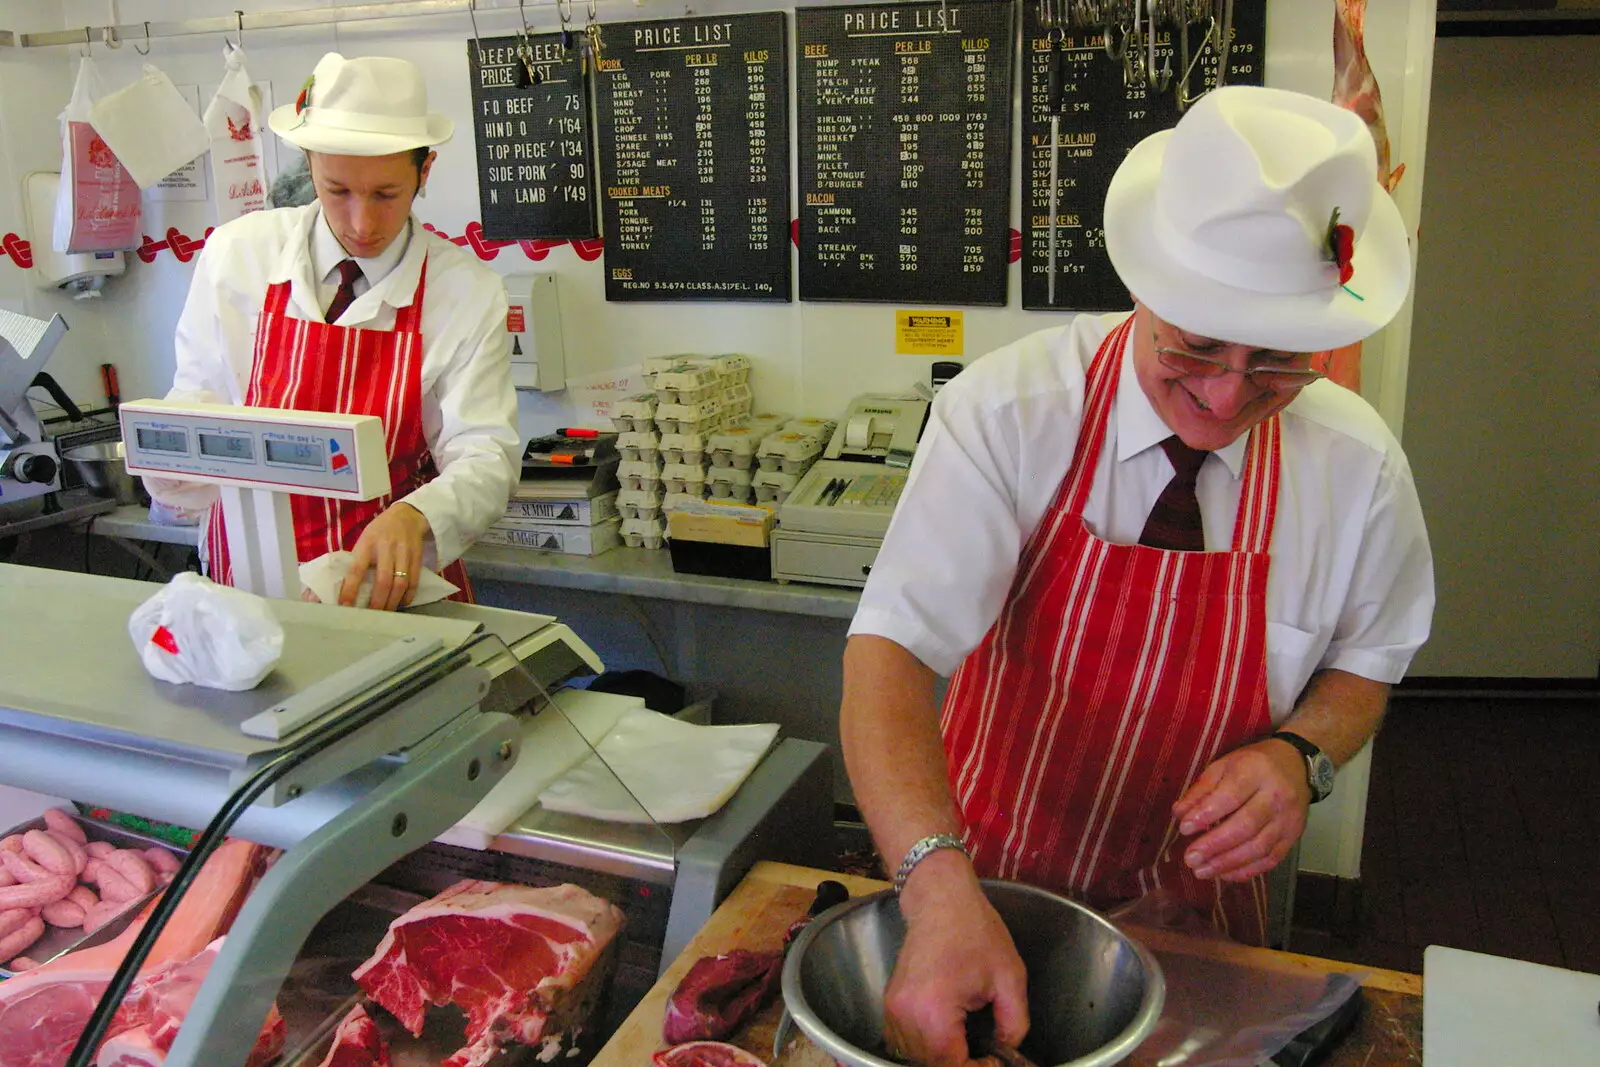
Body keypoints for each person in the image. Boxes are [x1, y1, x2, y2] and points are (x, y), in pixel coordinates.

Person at [840, 86, 1434, 1067]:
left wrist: (1301, 754)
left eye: (1277, 362)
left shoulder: (1358, 469)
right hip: (976, 888)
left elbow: (1367, 662)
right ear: (1144, 288)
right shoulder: (1009, 412)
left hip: (1197, 931)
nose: (1223, 394)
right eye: (1194, 345)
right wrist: (933, 883)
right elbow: (890, 655)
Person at [145, 53, 518, 611]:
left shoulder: (464, 291)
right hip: (244, 581)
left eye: (386, 194)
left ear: (425, 171)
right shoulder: (238, 254)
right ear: (309, 164)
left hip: (390, 585)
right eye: (336, 190)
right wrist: (168, 459)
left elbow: (486, 452)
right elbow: (201, 397)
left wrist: (418, 515)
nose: (362, 223)